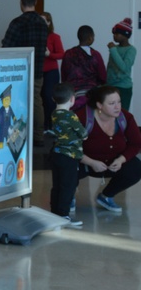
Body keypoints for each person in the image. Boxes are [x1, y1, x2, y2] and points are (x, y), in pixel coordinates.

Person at [76, 85, 141, 214]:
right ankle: (67, 197)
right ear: (100, 105)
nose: (117, 107)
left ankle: (106, 196)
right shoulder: (82, 117)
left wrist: (122, 160)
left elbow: (136, 143)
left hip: (112, 164)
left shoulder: (126, 117)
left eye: (119, 102)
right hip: (84, 163)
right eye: (112, 103)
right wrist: (90, 162)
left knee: (136, 168)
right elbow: (69, 146)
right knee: (66, 164)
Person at [1, 0, 48, 140]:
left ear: (21, 3)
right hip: (38, 69)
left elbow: (6, 47)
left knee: (16, 102)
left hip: (18, 71)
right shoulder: (42, 23)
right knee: (36, 102)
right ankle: (39, 136)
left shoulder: (17, 22)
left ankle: (18, 137)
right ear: (35, 3)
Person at [48, 83, 87, 225]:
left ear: (53, 99)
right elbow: (83, 133)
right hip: (69, 156)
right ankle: (64, 214)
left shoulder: (54, 114)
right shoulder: (71, 116)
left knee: (57, 185)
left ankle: (55, 212)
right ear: (72, 99)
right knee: (68, 186)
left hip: (57, 153)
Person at [61, 25, 106, 111]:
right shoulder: (95, 55)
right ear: (90, 38)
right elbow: (103, 77)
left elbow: (64, 75)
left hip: (72, 94)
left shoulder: (68, 53)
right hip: (91, 94)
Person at [41, 11, 65, 131]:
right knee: (39, 98)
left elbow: (61, 54)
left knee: (49, 97)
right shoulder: (36, 35)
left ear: (49, 22)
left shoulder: (54, 37)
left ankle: (50, 125)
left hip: (51, 71)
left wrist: (50, 54)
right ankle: (43, 126)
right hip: (38, 71)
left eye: (44, 20)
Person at [107, 18, 136, 112]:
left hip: (123, 88)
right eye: (113, 34)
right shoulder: (115, 48)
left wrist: (113, 50)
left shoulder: (131, 50)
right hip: (110, 86)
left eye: (116, 34)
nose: (114, 36)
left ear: (125, 35)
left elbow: (124, 67)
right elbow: (110, 67)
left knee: (122, 114)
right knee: (110, 114)